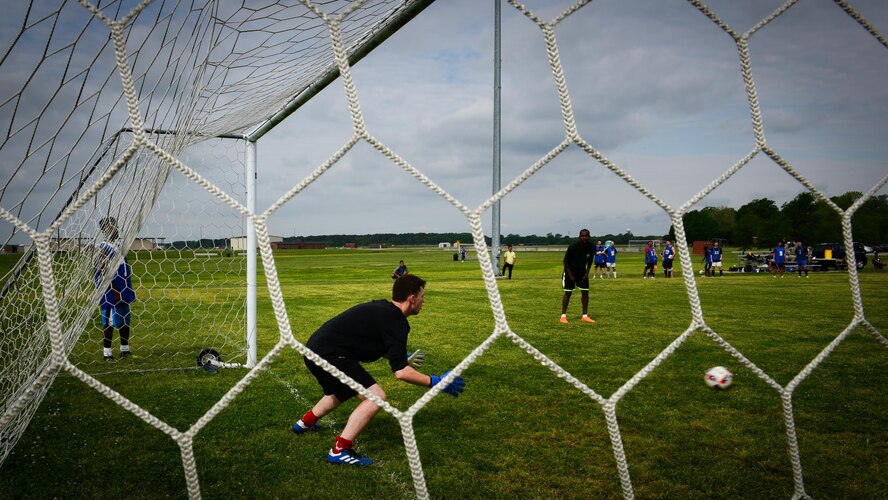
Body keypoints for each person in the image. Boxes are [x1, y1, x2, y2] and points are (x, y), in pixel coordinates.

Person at [292, 274, 465, 466]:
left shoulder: (385, 310)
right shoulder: (396, 321)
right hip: (329, 354)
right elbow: (401, 372)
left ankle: (304, 423)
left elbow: (372, 342)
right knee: (375, 396)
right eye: (423, 296)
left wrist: (402, 358)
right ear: (412, 298)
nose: (424, 301)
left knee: (341, 391)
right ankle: (340, 450)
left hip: (315, 350)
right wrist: (435, 382)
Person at [94, 216, 136, 361]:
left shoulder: (118, 246)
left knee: (125, 319)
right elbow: (103, 272)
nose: (115, 229)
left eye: (115, 225)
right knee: (109, 322)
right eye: (111, 227)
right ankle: (107, 354)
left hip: (123, 289)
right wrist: (113, 290)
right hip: (111, 292)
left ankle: (125, 350)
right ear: (104, 230)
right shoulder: (103, 249)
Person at [560, 229, 595, 324]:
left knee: (585, 292)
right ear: (579, 236)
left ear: (589, 236)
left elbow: (590, 260)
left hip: (582, 272)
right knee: (568, 293)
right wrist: (570, 275)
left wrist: (587, 272)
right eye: (582, 236)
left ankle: (585, 316)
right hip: (570, 271)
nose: (584, 238)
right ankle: (563, 316)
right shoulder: (573, 247)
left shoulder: (592, 246)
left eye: (586, 236)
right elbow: (565, 261)